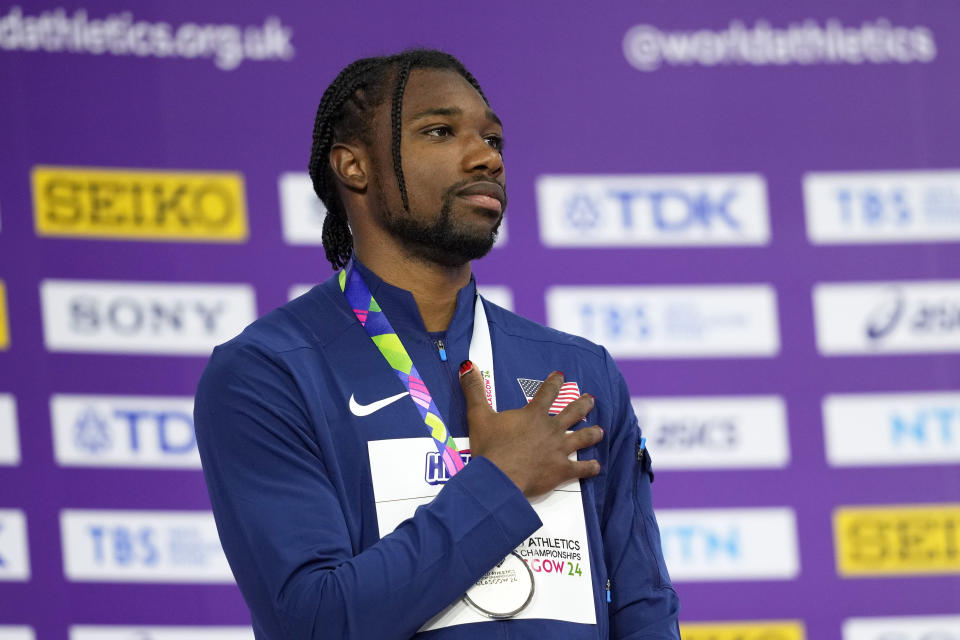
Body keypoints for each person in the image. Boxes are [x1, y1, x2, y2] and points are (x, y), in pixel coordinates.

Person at [194, 48, 680, 639]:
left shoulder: (578, 370)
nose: (485, 158)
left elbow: (644, 610)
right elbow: (314, 619)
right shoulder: (269, 372)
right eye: (441, 131)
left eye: (494, 140)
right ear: (354, 167)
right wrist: (501, 482)